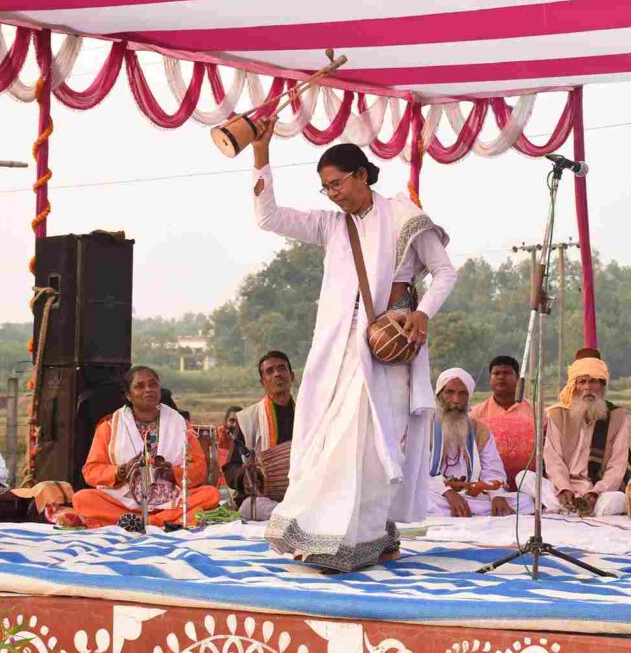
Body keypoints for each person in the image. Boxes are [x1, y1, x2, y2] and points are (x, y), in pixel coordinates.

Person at [252, 126, 457, 572]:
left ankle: (359, 540)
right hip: (335, 354)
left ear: (362, 175)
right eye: (325, 187)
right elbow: (268, 219)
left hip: (385, 352)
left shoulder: (403, 216)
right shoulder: (331, 224)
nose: (331, 194)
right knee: (327, 442)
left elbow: (444, 272)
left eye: (337, 183)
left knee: (368, 444)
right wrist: (261, 152)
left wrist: (422, 314)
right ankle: (335, 535)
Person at [72, 366, 220, 529]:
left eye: (153, 384)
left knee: (210, 495)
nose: (148, 390)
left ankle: (144, 522)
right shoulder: (109, 427)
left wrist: (173, 472)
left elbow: (198, 469)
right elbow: (91, 471)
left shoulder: (180, 425)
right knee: (82, 498)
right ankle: (158, 521)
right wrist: (122, 471)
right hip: (124, 499)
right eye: (140, 386)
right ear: (128, 395)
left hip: (171, 498)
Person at [516, 354, 631, 516]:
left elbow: (617, 466)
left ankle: (569, 510)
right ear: (574, 386)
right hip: (562, 489)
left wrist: (595, 492)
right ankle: (571, 507)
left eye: (593, 381)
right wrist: (564, 488)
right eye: (582, 381)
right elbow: (553, 459)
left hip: (598, 492)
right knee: (523, 477)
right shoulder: (558, 415)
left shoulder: (618, 417)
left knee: (616, 499)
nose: (587, 388)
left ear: (602, 385)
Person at [427, 368, 516, 517]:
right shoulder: (424, 426)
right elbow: (416, 472)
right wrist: (447, 492)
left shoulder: (480, 430)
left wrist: (496, 495)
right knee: (421, 500)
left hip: (471, 495)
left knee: (524, 501)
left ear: (468, 397)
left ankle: (462, 508)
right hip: (435, 493)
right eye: (450, 392)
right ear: (439, 395)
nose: (456, 400)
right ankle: (460, 508)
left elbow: (493, 470)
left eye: (462, 394)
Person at [222, 352, 297, 521]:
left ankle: (292, 517)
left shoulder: (309, 415)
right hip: (264, 499)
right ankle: (291, 517)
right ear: (263, 382)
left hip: (302, 493)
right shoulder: (247, 418)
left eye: (281, 369)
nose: (277, 374)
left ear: (291, 376)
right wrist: (247, 476)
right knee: (251, 506)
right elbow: (230, 470)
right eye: (270, 371)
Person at [470, 355, 535, 491]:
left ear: (517, 379)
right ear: (490, 379)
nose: (501, 377)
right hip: (488, 485)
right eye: (496, 373)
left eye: (507, 373)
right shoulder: (476, 414)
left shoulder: (536, 411)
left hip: (528, 485)